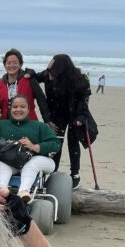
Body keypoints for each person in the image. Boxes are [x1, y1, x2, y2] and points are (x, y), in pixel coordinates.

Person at [0, 94, 61, 200]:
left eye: (22, 107)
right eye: (15, 107)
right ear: (10, 109)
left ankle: (23, 192)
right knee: (3, 163)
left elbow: (56, 143)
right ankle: (1, 189)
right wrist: (6, 145)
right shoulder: (0, 125)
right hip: (10, 159)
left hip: (37, 159)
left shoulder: (39, 126)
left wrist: (34, 146)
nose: (18, 110)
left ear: (28, 109)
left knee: (31, 164)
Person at [41, 54, 92, 188]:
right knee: (57, 141)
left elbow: (84, 100)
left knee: (73, 143)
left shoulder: (79, 80)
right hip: (58, 114)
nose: (49, 72)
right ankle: (53, 171)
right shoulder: (48, 74)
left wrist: (81, 117)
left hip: (75, 114)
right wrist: (29, 73)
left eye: (52, 68)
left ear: (61, 68)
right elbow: (36, 75)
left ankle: (75, 173)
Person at [0, 49, 49, 122]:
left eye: (15, 63)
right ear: (4, 65)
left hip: (29, 124)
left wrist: (47, 120)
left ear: (20, 64)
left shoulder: (29, 79)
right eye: (8, 63)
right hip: (7, 125)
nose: (11, 65)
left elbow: (41, 100)